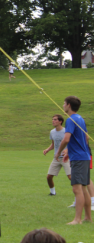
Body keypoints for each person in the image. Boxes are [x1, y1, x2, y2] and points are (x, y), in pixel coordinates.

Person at [55, 96, 92, 224]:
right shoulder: (80, 118)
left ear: (69, 105)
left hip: (79, 159)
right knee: (83, 188)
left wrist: (59, 152)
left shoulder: (70, 120)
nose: (63, 105)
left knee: (77, 189)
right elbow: (86, 138)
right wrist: (70, 152)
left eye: (64, 103)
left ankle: (77, 219)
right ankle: (87, 217)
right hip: (84, 157)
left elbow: (66, 139)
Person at [43, 114, 71, 195]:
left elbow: (72, 143)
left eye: (55, 119)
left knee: (71, 177)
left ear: (60, 121)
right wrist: (47, 150)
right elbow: (53, 144)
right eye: (53, 119)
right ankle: (52, 193)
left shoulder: (66, 131)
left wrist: (67, 150)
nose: (53, 121)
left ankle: (81, 192)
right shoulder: (52, 132)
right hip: (56, 158)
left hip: (66, 158)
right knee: (49, 177)